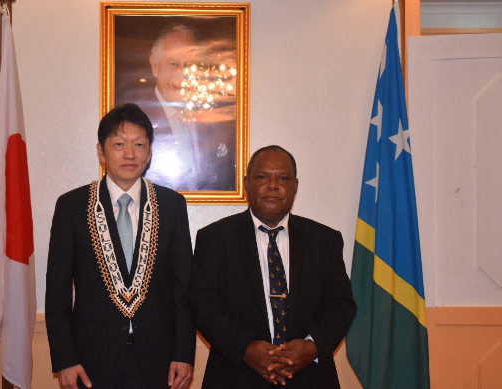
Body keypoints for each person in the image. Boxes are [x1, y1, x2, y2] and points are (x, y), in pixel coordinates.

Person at [45, 103, 196, 389]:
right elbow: (58, 294)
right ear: (101, 152)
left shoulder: (172, 205)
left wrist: (184, 354)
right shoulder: (72, 206)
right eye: (118, 144)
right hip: (90, 362)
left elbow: (183, 289)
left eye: (139, 144)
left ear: (150, 152)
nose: (130, 154)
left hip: (160, 361)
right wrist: (65, 358)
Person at [189, 145, 357, 388]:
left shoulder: (325, 240)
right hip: (236, 375)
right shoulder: (215, 238)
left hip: (310, 376)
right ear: (247, 184)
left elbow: (341, 305)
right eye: (262, 177)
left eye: (283, 178)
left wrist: (312, 346)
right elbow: (203, 304)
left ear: (295, 186)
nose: (272, 185)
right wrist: (244, 348)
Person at [142, 23, 236, 191]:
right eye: (173, 64)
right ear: (154, 66)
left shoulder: (219, 122)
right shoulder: (137, 121)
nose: (183, 75)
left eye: (190, 65)